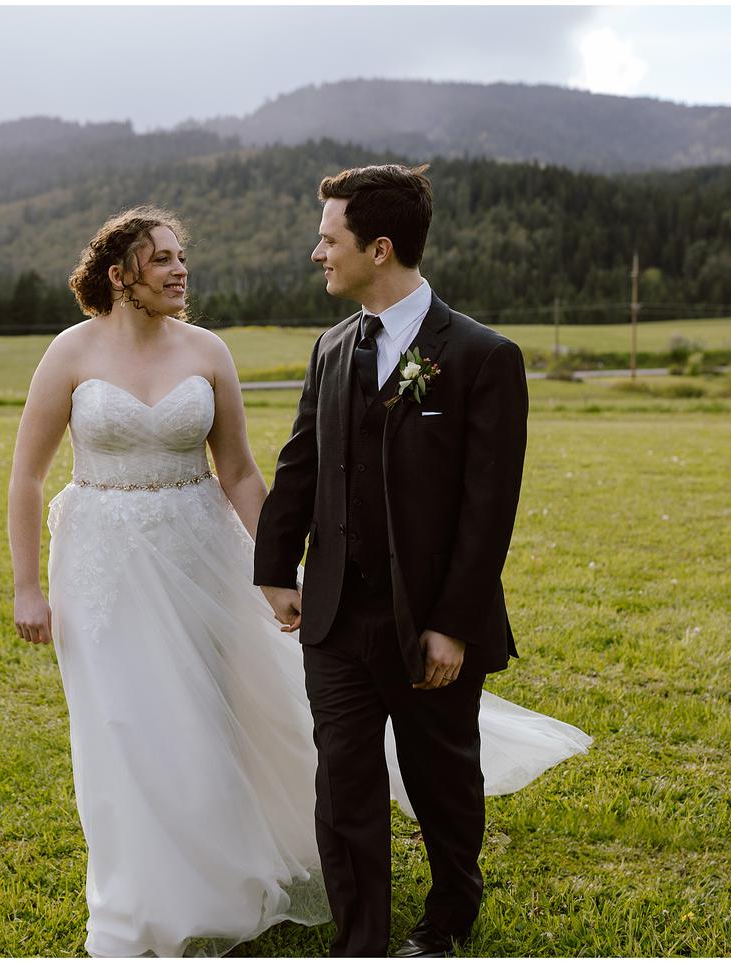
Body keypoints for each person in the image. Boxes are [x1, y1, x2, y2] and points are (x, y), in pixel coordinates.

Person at [8, 206, 589, 957]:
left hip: (197, 553)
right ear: (120, 275)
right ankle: (140, 892)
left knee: (210, 716)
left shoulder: (208, 351)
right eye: (161, 260)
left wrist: (282, 570)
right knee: (118, 724)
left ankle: (229, 875)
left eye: (183, 256)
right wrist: (28, 586)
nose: (180, 269)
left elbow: (245, 473)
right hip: (99, 566)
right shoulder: (68, 353)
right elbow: (26, 475)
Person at [255, 163, 535, 957]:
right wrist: (277, 566)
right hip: (335, 611)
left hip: (428, 622)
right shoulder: (332, 345)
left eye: (328, 238)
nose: (317, 253)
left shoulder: (484, 355)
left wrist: (451, 624)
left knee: (442, 778)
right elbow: (301, 461)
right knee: (343, 783)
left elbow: (489, 510)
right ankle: (363, 943)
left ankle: (447, 920)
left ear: (379, 248)